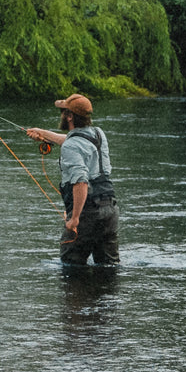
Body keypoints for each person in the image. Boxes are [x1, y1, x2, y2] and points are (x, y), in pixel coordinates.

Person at [25, 94, 120, 267]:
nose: (60, 115)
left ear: (69, 116)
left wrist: (74, 218)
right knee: (108, 267)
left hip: (87, 213)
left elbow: (81, 182)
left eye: (63, 112)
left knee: (71, 267)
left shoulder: (71, 145)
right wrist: (43, 133)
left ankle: (77, 294)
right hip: (110, 210)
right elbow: (72, 140)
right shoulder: (99, 134)